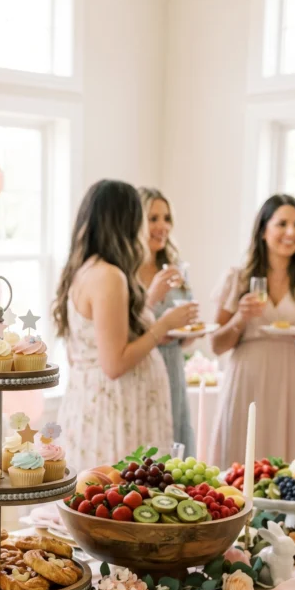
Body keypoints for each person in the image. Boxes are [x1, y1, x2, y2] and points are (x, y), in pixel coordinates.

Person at [54, 179, 198, 469]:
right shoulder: (109, 276)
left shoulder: (88, 270)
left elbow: (99, 342)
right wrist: (162, 325)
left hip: (102, 405)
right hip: (115, 414)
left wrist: (148, 308)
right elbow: (114, 363)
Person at [209, 194, 295, 466]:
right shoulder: (239, 278)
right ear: (263, 230)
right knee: (243, 463)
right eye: (282, 224)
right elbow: (217, 345)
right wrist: (241, 317)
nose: (291, 232)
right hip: (250, 380)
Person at [138, 187, 195, 455]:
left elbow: (186, 334)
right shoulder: (124, 272)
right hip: (141, 366)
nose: (163, 226)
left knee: (175, 438)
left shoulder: (174, 268)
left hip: (172, 365)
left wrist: (189, 329)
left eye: (166, 218)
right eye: (153, 219)